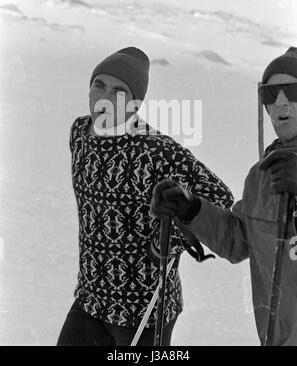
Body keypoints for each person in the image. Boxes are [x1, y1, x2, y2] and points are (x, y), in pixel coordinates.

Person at [57, 46, 234, 346]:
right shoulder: (79, 133)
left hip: (144, 309)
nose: (106, 98)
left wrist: (167, 243)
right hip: (90, 300)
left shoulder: (154, 150)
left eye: (119, 92)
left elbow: (218, 196)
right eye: (99, 85)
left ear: (135, 104)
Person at [150, 46, 297, 346]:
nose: (280, 102)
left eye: (292, 90)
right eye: (270, 94)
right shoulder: (261, 176)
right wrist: (191, 209)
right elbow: (238, 241)